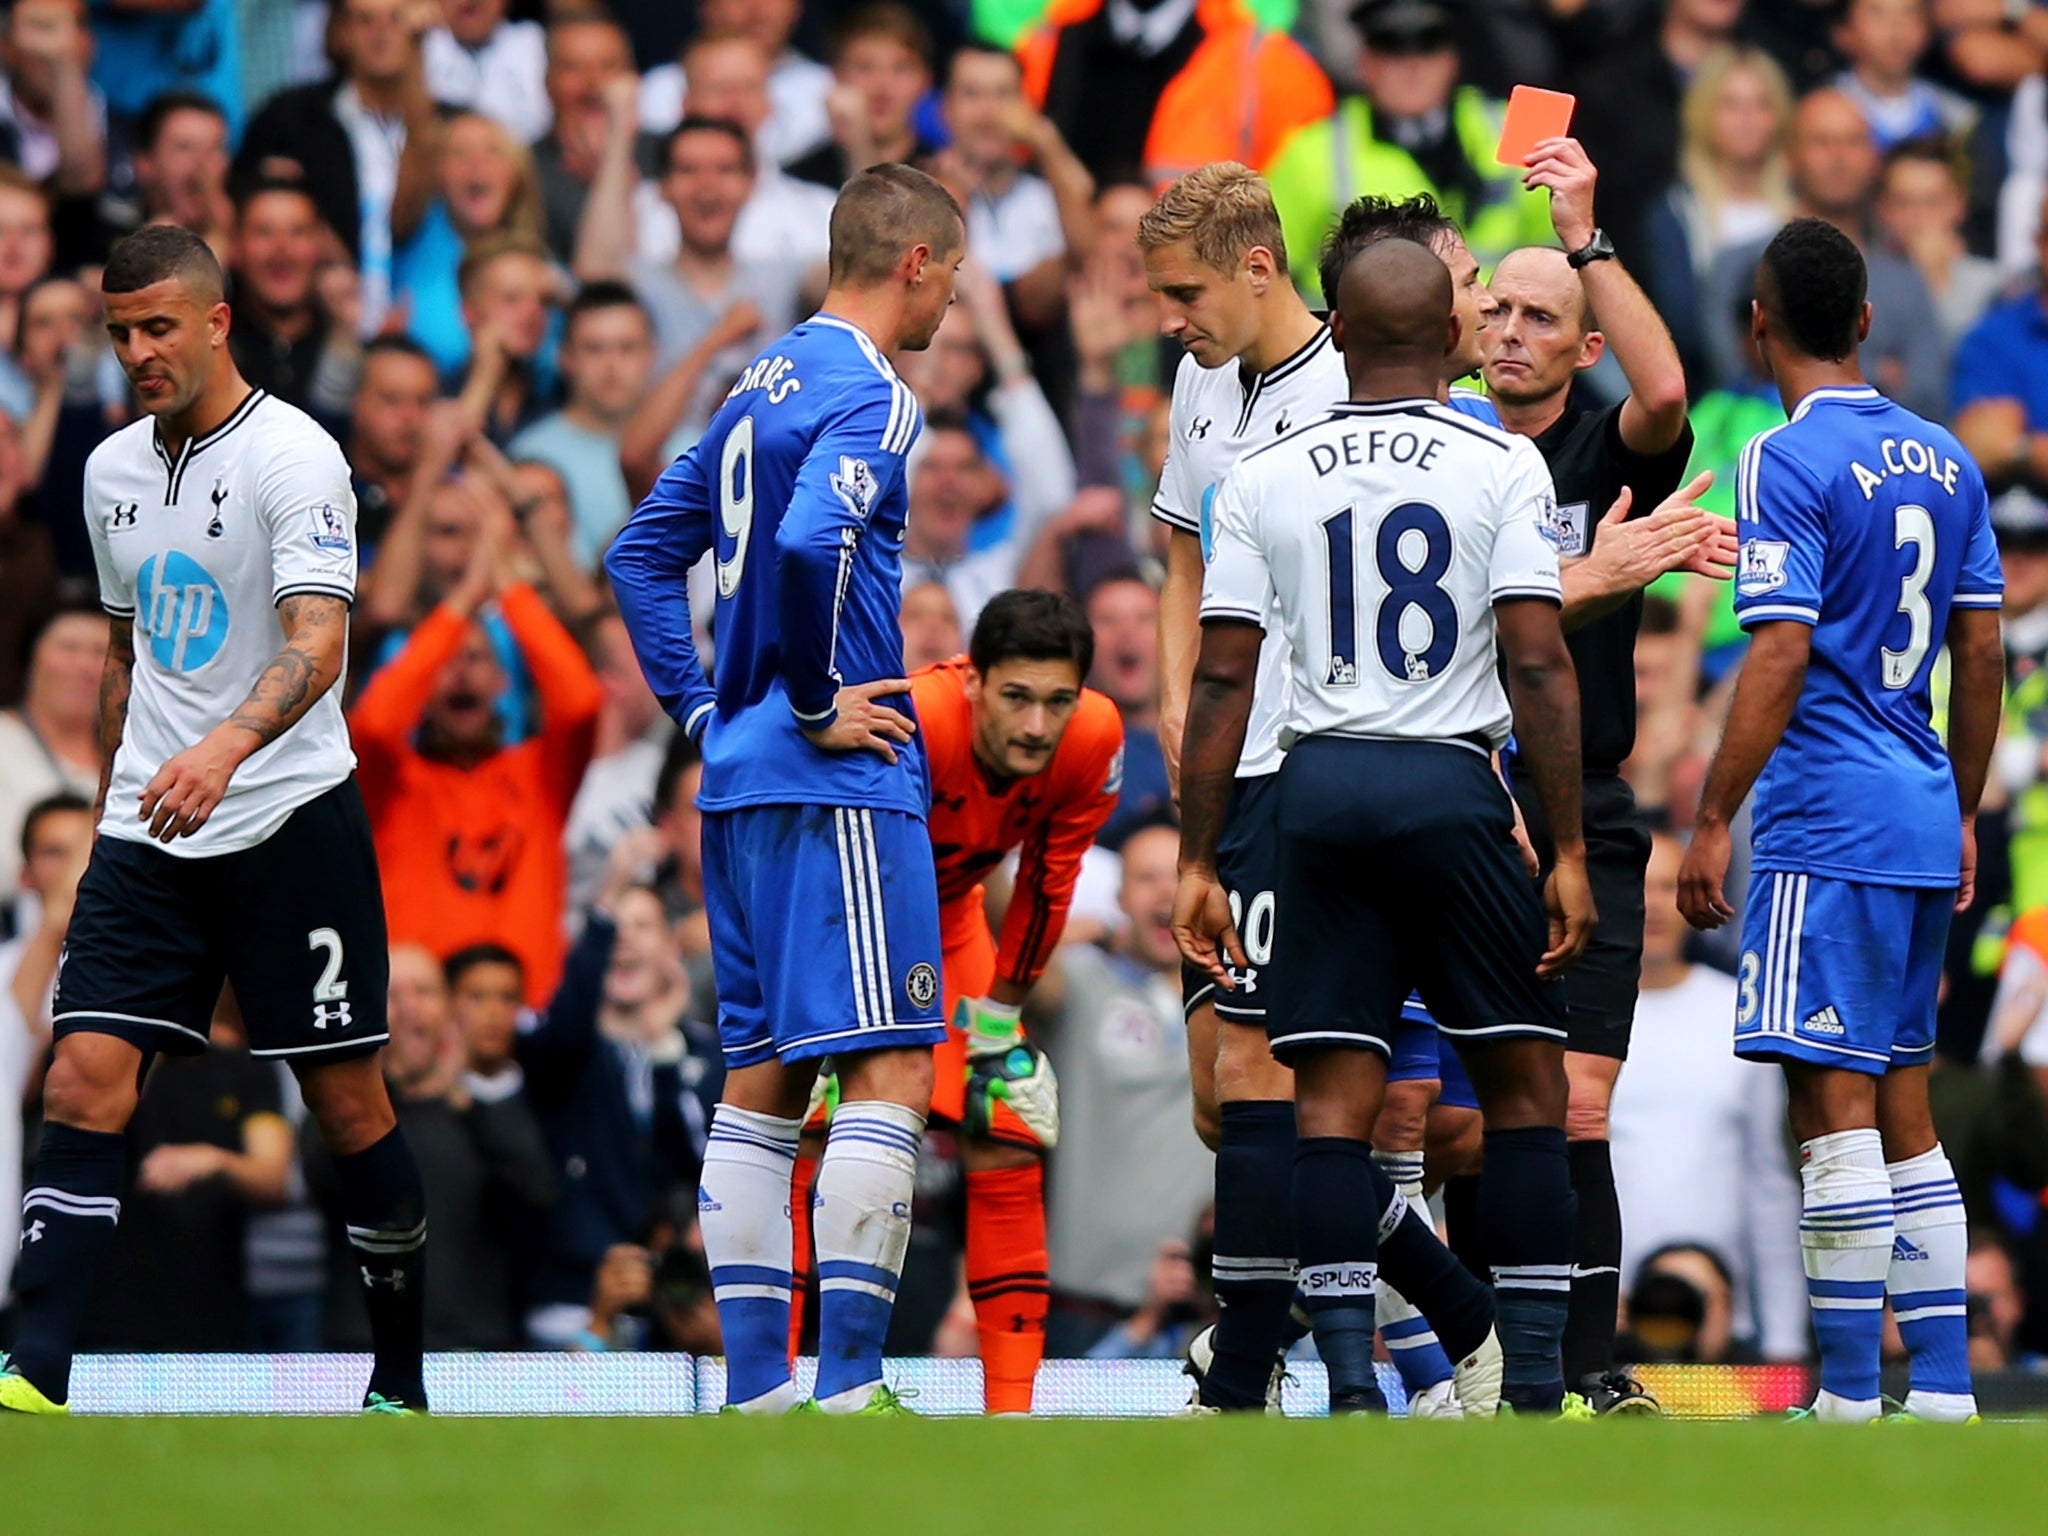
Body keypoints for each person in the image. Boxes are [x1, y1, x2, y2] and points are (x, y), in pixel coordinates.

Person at [0, 226, 427, 1417]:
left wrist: (225, 748)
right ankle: (33, 1380)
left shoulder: (298, 457)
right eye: (119, 331)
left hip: (289, 816)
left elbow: (319, 641)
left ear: (216, 321)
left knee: (347, 1108)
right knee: (82, 1078)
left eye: (157, 328)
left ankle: (399, 1378)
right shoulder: (109, 471)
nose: (136, 351)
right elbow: (129, 654)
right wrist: (105, 812)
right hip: (151, 830)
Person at [1174, 235, 1594, 1416]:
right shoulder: (1500, 459)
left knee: (1329, 1107)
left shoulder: (1263, 470)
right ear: (1454, 336)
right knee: (1519, 1086)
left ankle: (1353, 1388)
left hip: (1316, 791)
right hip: (1450, 786)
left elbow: (1218, 681)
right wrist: (1563, 849)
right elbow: (1535, 660)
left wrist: (1199, 856)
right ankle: (1532, 1386)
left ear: (1339, 333)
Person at [1143, 167, 1504, 1418]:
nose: (1169, 318)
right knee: (1218, 1098)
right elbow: (1180, 558)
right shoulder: (1196, 382)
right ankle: (1459, 1309)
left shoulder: (1351, 398)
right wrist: (1173, 700)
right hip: (1218, 768)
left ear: (1258, 270)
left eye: (1185, 291)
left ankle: (1241, 1377)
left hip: (1308, 770)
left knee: (1265, 1088)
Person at [606, 164, 965, 1416]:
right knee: (889, 1070)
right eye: (951, 276)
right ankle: (853, 1384)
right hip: (836, 778)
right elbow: (814, 542)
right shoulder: (876, 393)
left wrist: (706, 712)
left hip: (736, 780)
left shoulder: (753, 384)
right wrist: (814, 706)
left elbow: (641, 553)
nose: (951, 303)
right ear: (914, 261)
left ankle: (757, 1392)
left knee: (758, 1083)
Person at [1678, 217, 2007, 1423]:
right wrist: (1960, 808)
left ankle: (1850, 1398)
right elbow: (1980, 654)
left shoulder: (1781, 457)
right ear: (1864, 322)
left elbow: (1777, 652)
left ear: (1756, 323)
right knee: (1905, 1103)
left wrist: (1713, 816)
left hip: (1826, 820)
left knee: (1830, 1104)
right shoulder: (1944, 458)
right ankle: (1941, 1395)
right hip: (1922, 811)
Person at [1482, 135, 1711, 1415]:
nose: (1512, 332)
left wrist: (1586, 235)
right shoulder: (1438, 451)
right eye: (1496, 310)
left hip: (1591, 812)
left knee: (1572, 1105)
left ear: (1581, 349)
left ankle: (1583, 1371)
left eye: (1542, 318)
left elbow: (1669, 394)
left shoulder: (1601, 453)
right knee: (1470, 1108)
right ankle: (1473, 1355)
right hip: (1462, 805)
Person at [809, 589, 1123, 1415]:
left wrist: (995, 1023)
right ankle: (796, 1387)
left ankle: (1011, 1417)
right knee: (820, 1130)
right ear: (974, 680)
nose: (1037, 726)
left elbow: (1050, 886)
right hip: (834, 915)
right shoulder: (920, 720)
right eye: (1016, 697)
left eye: (1058, 701)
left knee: (1007, 1113)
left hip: (950, 920)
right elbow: (865, 878)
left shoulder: (1095, 738)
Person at [349, 508, 603, 1005]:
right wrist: (463, 603)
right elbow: (376, 723)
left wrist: (508, 589)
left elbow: (580, 702)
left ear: (502, 682)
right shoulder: (393, 783)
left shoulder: (539, 775)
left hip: (527, 1020)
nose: (460, 673)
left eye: (476, 658)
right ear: (422, 680)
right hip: (417, 1020)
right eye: (444, 661)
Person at [1609, 831, 1809, 1364]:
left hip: (1722, 1324)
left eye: (1669, 887)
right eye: (1640, 887)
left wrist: (1785, 1339)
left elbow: (1769, 1181)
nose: (1653, 905)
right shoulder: (1573, 1021)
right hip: (1604, 1317)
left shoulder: (1734, 1014)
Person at [1029, 821, 1214, 1358]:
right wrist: (1076, 934)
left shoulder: (1238, 1000)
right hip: (1087, 1305)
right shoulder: (1083, 986)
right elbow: (1009, 954)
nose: (1164, 893)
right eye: (1146, 877)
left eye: (1178, 876)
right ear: (1119, 899)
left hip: (1208, 1310)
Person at [1264, 0, 1550, 293]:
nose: (1413, 66)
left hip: (1499, 327)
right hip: (1364, 335)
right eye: (1392, 48)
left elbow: (1556, 248)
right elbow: (1269, 270)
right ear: (1365, 64)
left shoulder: (1516, 125)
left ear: (1453, 59)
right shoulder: (1310, 151)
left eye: (1429, 45)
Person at [0, 792, 90, 1310]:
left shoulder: (144, 971)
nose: (76, 869)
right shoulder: (8, 972)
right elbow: (13, 1058)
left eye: (87, 851)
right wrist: (57, 920)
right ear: (25, 873)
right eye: (58, 852)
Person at [0, 601, 103, 898]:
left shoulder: (132, 757)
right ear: (31, 656)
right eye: (68, 648)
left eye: (100, 653)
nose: (84, 666)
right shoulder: (6, 739)